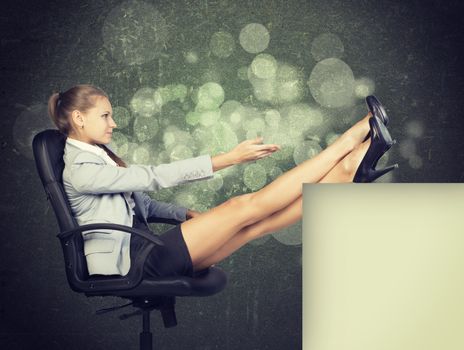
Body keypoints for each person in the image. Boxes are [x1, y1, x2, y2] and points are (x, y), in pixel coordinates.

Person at [47, 84, 397, 278]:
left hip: (145, 251)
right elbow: (152, 177)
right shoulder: (80, 168)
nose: (113, 123)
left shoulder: (97, 157)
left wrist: (184, 215)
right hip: (138, 261)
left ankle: (347, 172)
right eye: (105, 115)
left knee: (252, 226)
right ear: (78, 118)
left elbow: (145, 205)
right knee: (244, 206)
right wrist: (228, 158)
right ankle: (351, 141)